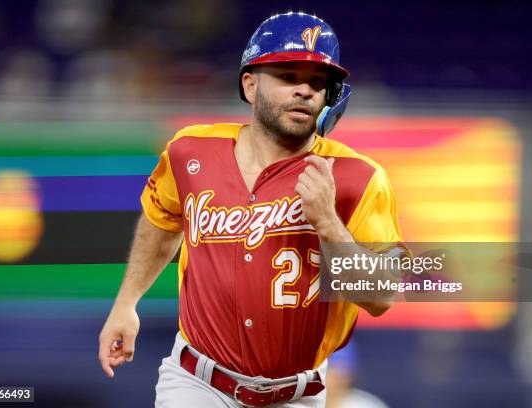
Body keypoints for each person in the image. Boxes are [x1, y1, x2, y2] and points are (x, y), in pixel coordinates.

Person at [98, 11, 404, 407]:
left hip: (298, 392)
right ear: (250, 83)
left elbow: (383, 295)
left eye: (316, 82)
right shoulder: (191, 151)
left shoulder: (358, 178)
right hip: (197, 383)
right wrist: (127, 302)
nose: (304, 91)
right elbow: (161, 223)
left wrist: (329, 223)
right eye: (288, 77)